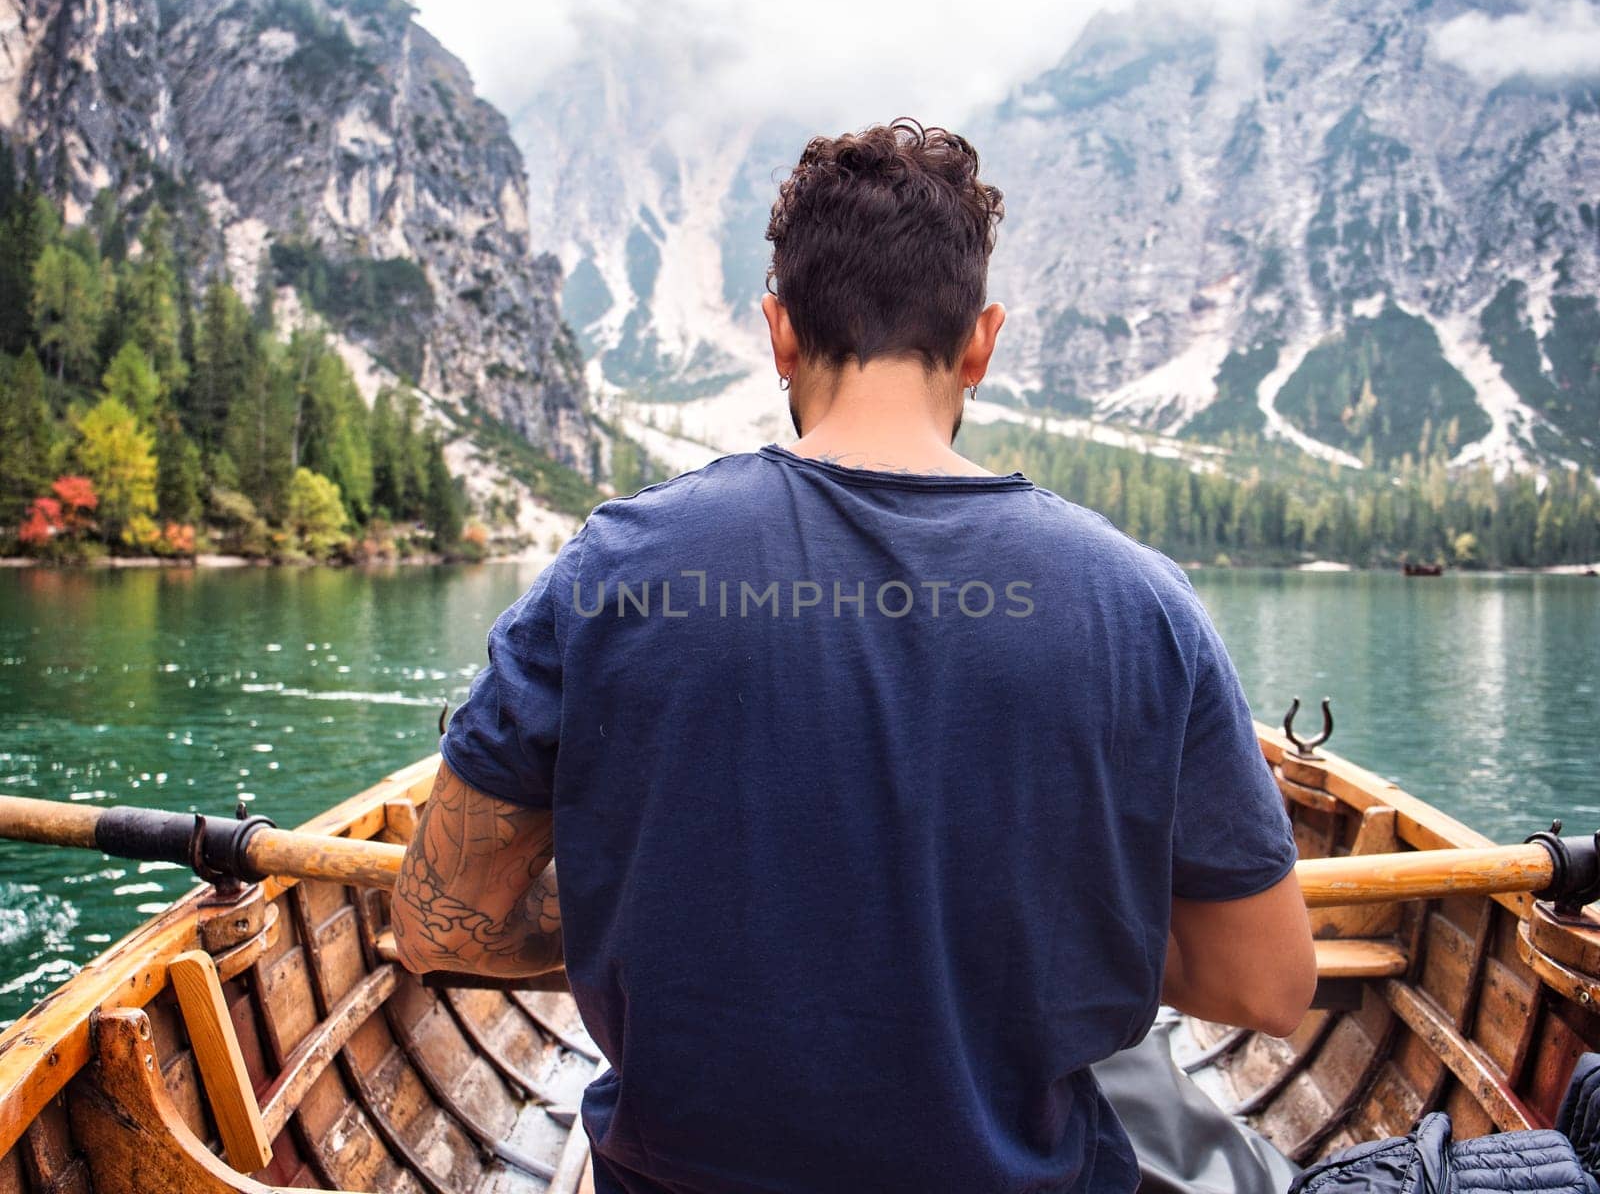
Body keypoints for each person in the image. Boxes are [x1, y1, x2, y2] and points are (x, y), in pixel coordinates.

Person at [389, 117, 1317, 1194]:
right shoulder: (1139, 601)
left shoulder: (616, 565)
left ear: (779, 333)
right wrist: (1022, 926)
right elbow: (1268, 985)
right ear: (982, 340)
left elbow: (434, 920)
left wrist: (647, 910)